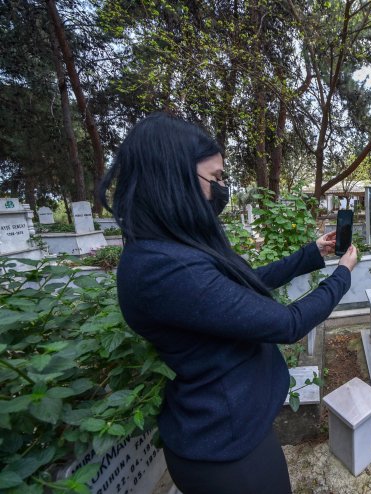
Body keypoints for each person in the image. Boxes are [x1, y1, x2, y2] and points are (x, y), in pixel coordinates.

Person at [98, 112, 357, 494]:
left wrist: (312, 253)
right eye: (216, 178)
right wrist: (343, 275)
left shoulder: (173, 250)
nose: (222, 188)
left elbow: (242, 285)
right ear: (174, 176)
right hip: (227, 450)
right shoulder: (161, 269)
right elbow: (287, 323)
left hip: (234, 431)